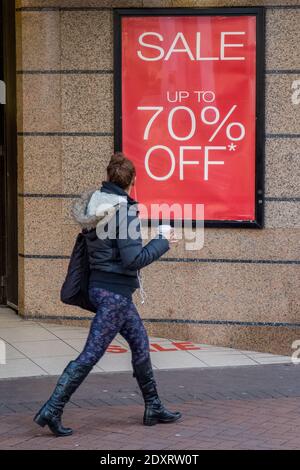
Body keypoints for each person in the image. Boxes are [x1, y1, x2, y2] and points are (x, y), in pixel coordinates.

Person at [34, 152, 182, 436]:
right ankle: (52, 408)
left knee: (140, 342)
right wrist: (163, 242)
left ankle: (153, 405)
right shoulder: (123, 211)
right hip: (114, 295)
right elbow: (133, 259)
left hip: (106, 290)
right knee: (90, 354)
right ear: (133, 181)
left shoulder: (97, 206)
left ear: (109, 176)